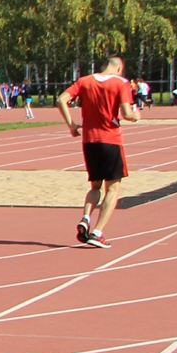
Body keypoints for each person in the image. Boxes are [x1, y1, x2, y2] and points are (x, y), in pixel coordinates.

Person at [57, 55, 140, 249]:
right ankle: (97, 231)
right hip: (110, 140)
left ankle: (86, 218)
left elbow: (62, 99)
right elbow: (127, 113)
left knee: (95, 186)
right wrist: (135, 116)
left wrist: (71, 125)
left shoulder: (85, 81)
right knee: (113, 188)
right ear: (119, 68)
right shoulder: (121, 83)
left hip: (89, 141)